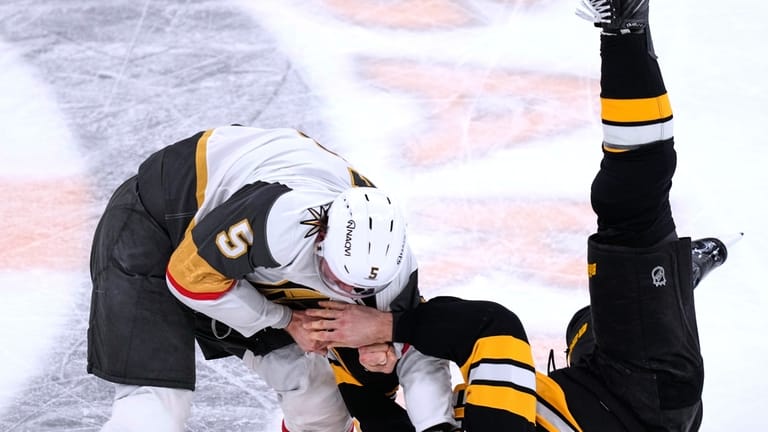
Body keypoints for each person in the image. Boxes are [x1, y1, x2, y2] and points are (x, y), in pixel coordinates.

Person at [304, 0, 732, 430]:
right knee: (631, 215)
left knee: (586, 327)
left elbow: (366, 404)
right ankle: (626, 32)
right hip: (648, 394)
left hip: (584, 388)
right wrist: (390, 324)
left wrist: (372, 363)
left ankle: (662, 287)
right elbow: (492, 328)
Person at [87, 126, 457, 431]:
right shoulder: (280, 220)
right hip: (160, 220)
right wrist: (286, 319)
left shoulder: (393, 271)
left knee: (321, 399)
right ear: (321, 233)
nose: (345, 293)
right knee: (156, 407)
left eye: (359, 290)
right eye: (335, 278)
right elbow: (188, 278)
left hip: (237, 262)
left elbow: (419, 356)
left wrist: (436, 427)